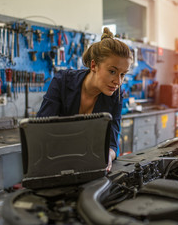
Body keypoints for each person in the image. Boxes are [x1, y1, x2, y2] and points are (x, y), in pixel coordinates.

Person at [37, 27, 132, 171]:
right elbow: (41, 131)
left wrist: (108, 155)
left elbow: (113, 143)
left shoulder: (116, 96)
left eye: (123, 74)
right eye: (112, 71)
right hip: (53, 164)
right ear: (94, 65)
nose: (118, 81)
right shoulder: (62, 81)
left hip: (89, 167)